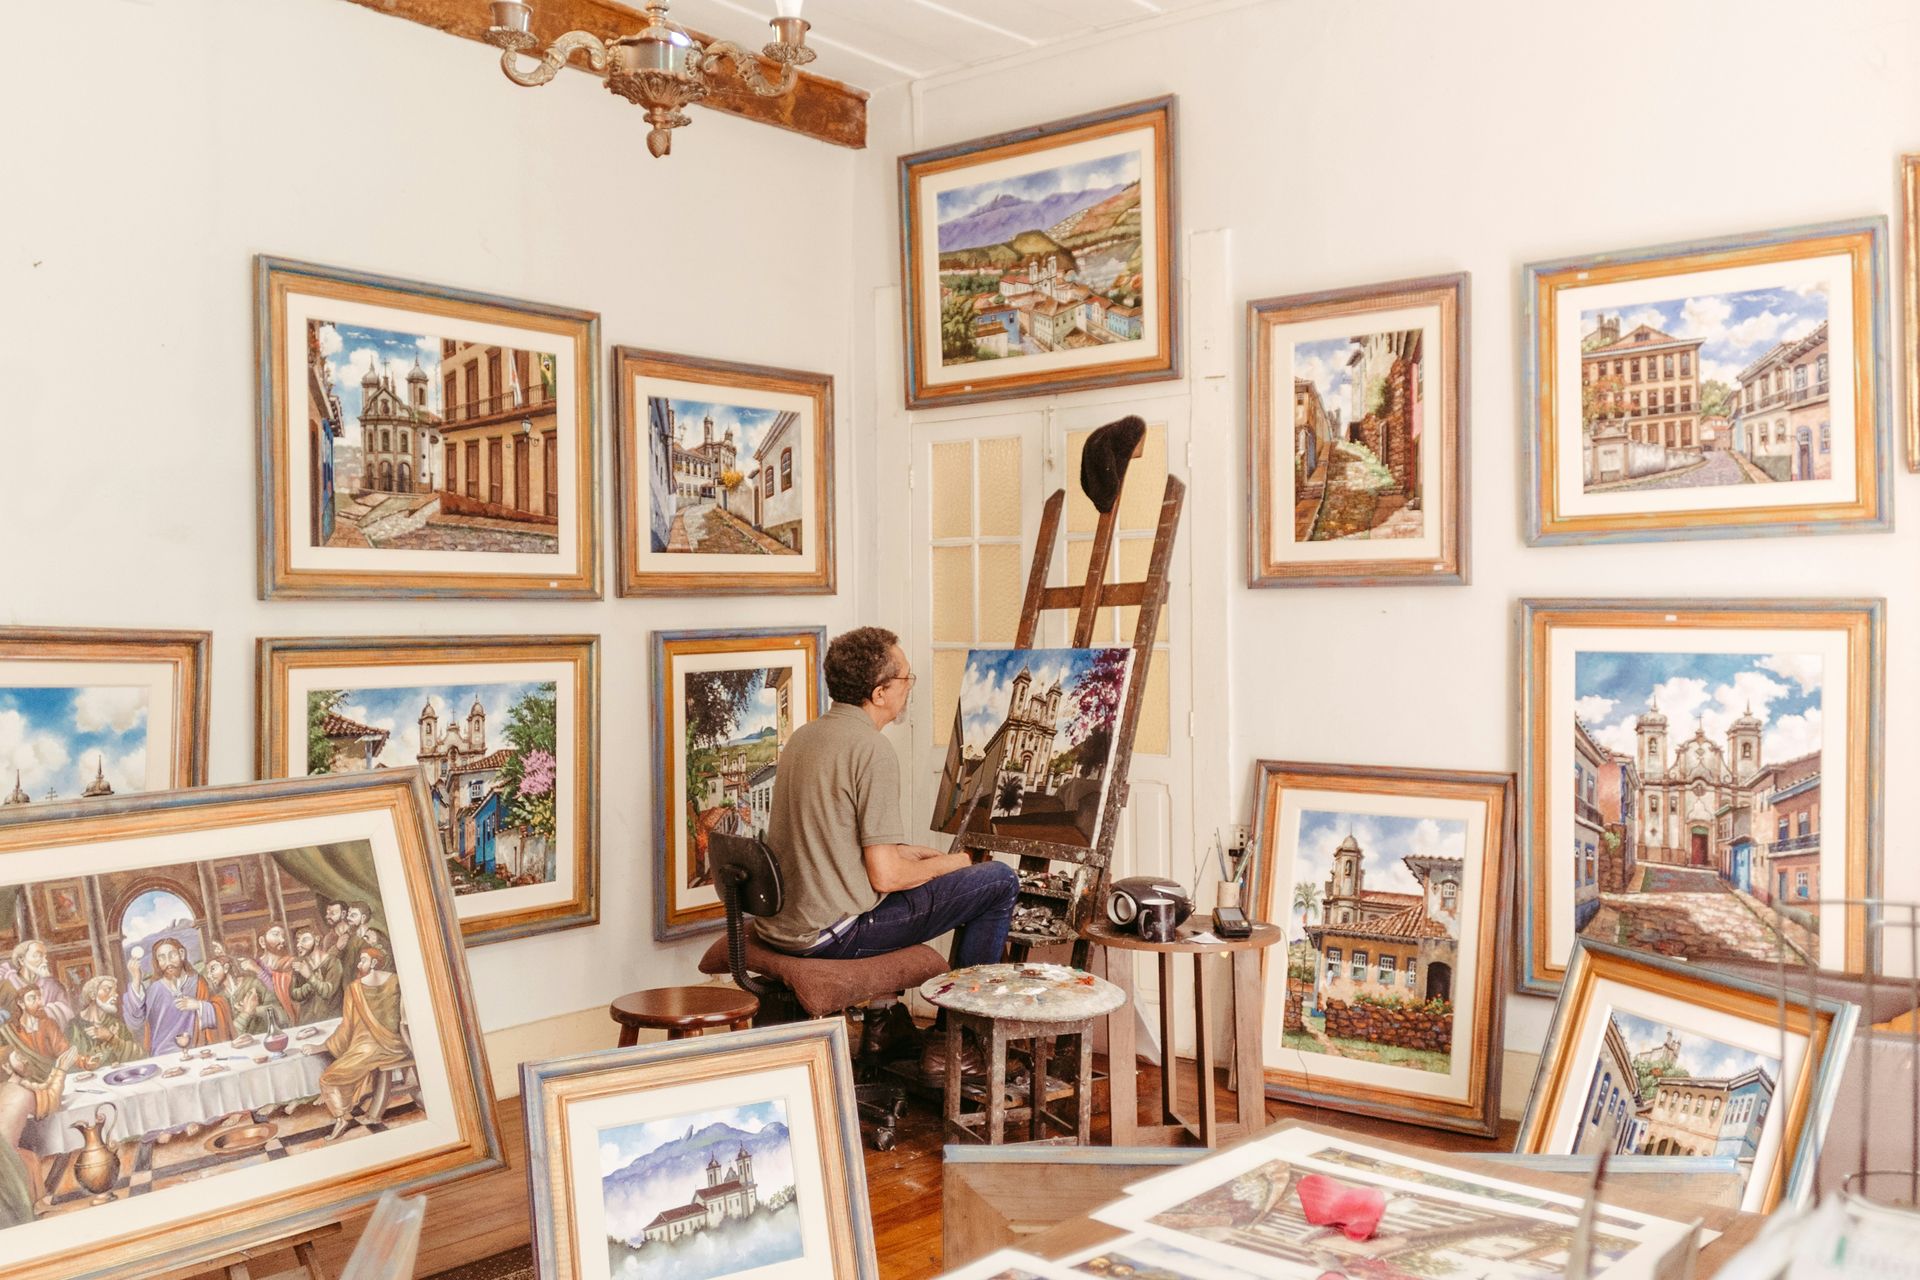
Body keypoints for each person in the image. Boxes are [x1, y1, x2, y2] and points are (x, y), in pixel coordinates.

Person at [754, 626, 1018, 967]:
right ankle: (967, 1014)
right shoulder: (872, 749)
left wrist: (905, 852)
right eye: (907, 679)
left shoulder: (803, 737)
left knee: (950, 872)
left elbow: (828, 838)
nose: (909, 688)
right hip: (835, 934)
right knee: (999, 880)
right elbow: (886, 877)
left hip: (785, 926)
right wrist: (953, 864)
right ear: (880, 693)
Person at [319, 947, 412, 1140]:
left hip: (370, 1049)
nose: (359, 964)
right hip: (399, 1046)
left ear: (375, 963)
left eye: (363, 960)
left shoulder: (355, 988)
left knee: (328, 1077)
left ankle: (341, 1118)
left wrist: (323, 1046)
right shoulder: (397, 980)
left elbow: (347, 1027)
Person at [121, 939, 231, 1055]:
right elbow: (136, 1022)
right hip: (163, 1052)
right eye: (162, 958)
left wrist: (199, 1005)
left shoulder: (198, 982)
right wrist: (136, 980)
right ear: (157, 962)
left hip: (196, 1048)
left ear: (182, 954)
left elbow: (218, 1009)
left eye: (172, 955)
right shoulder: (155, 989)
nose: (168, 962)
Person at [0, 942, 74, 1031]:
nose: (45, 961)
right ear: (22, 960)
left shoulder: (53, 985)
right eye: (37, 956)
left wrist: (45, 1012)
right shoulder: (8, 984)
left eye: (45, 956)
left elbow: (67, 1013)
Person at [207, 957, 286, 1039]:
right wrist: (246, 1013)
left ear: (226, 968)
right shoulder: (219, 999)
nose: (209, 976)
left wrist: (255, 1010)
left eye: (212, 969)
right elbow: (224, 1034)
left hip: (263, 1039)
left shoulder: (254, 984)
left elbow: (281, 1015)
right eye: (208, 972)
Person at [72, 976, 141, 1068]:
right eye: (108, 989)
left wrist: (111, 1038)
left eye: (115, 990)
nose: (115, 995)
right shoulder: (74, 1027)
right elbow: (74, 1063)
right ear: (92, 995)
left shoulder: (117, 1024)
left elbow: (137, 1056)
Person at [291, 928, 342, 1024]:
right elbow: (294, 995)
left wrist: (309, 976)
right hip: (307, 1021)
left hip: (330, 1020)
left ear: (317, 940)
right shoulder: (299, 964)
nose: (298, 945)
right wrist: (309, 985)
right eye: (297, 941)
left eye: (304, 940)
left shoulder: (333, 962)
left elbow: (328, 992)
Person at [255, 925, 299, 1020]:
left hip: (284, 1016)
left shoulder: (290, 963)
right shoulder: (253, 965)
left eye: (283, 936)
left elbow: (279, 992)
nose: (282, 940)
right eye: (276, 935)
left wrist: (258, 971)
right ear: (262, 941)